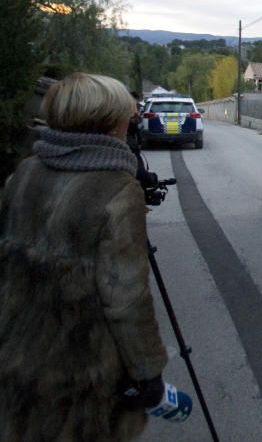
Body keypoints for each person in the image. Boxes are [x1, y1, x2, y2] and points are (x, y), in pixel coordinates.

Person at [0, 73, 169, 441]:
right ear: (108, 122)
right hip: (80, 371)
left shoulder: (24, 174)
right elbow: (126, 299)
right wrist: (147, 372)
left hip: (16, 352)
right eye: (126, 115)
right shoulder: (117, 189)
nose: (130, 121)